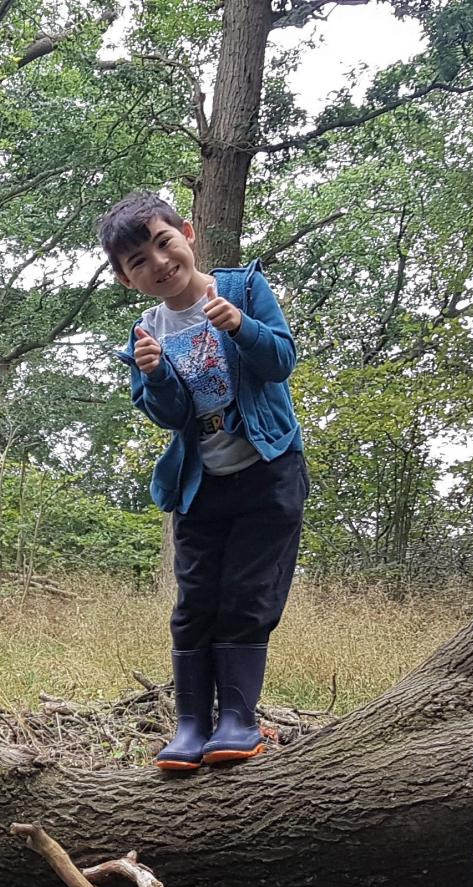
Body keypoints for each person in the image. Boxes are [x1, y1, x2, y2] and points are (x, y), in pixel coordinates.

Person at [100, 190, 307, 770]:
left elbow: (281, 362)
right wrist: (158, 374)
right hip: (199, 484)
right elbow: (167, 414)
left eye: (163, 244)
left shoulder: (241, 289)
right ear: (126, 278)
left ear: (185, 233)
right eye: (138, 261)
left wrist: (240, 327)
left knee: (247, 596)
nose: (159, 263)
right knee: (195, 603)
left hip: (267, 471)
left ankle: (238, 720)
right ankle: (191, 724)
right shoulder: (146, 331)